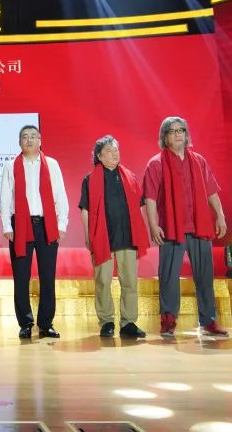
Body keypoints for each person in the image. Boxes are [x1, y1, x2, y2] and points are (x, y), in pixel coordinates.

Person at [142, 116, 230, 338]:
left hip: (199, 224)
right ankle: (168, 319)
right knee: (169, 275)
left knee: (205, 275)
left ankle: (208, 320)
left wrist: (220, 215)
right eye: (172, 131)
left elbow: (211, 190)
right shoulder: (156, 163)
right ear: (165, 137)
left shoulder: (199, 161)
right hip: (172, 227)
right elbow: (150, 197)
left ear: (186, 134)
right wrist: (153, 225)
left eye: (181, 130)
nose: (178, 134)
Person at [0, 125, 69, 339]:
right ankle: (25, 323)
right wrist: (7, 226)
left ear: (40, 140)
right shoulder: (11, 165)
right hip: (20, 224)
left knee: (48, 276)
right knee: (21, 276)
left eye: (33, 136)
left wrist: (62, 224)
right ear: (19, 142)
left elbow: (60, 195)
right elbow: (5, 198)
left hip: (47, 224)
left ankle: (46, 323)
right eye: (24, 137)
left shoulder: (52, 164)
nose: (29, 140)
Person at [79, 135, 150, 339]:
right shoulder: (90, 179)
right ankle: (106, 322)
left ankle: (128, 322)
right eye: (109, 151)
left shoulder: (129, 176)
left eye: (116, 150)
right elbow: (85, 209)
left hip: (128, 237)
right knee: (103, 281)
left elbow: (139, 206)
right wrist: (88, 236)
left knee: (130, 282)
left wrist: (142, 230)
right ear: (99, 156)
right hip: (103, 237)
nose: (114, 154)